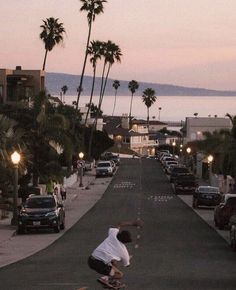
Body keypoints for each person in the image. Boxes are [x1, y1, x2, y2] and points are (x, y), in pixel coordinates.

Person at [88, 219, 144, 287]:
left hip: (91, 259)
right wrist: (128, 258)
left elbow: (119, 224)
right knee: (119, 275)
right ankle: (105, 278)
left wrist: (133, 223)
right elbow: (127, 265)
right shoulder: (124, 252)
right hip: (99, 265)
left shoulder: (113, 234)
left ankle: (111, 280)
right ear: (126, 241)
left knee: (114, 262)